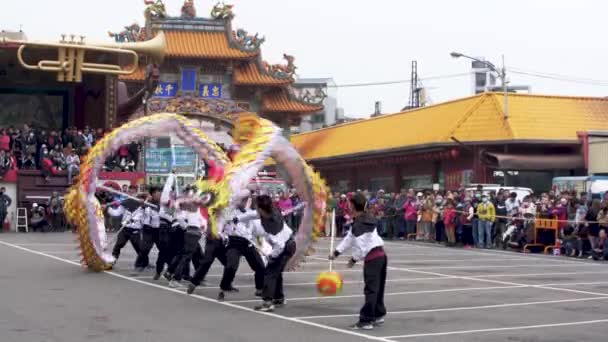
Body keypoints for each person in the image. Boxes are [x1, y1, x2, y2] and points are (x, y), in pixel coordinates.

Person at [329, 193, 387, 330]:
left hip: (373, 258)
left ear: (354, 206)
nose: (348, 205)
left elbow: (362, 248)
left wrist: (354, 259)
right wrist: (336, 252)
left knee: (371, 290)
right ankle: (378, 314)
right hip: (381, 256)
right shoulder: (364, 219)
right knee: (377, 289)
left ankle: (366, 320)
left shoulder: (360, 223)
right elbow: (349, 238)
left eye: (350, 203)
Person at [204, 197, 265, 300]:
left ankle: (260, 289)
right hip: (234, 242)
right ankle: (223, 288)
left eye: (246, 201)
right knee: (231, 266)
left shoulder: (249, 213)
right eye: (242, 200)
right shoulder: (229, 211)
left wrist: (265, 210)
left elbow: (254, 217)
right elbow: (222, 224)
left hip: (247, 242)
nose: (244, 202)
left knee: (260, 267)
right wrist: (220, 233)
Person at [252, 195, 295, 312]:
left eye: (256, 207)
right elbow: (252, 215)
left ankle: (267, 302)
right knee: (276, 272)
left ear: (261, 209)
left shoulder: (273, 224)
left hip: (285, 247)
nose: (255, 209)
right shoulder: (270, 212)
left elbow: (279, 246)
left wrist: (272, 255)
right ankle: (279, 298)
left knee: (270, 272)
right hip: (287, 244)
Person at [165, 186, 206, 288]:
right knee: (186, 257)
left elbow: (200, 219)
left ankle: (169, 272)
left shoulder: (195, 208)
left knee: (182, 254)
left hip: (193, 232)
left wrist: (202, 228)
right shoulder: (187, 205)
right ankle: (175, 279)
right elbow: (179, 217)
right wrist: (186, 227)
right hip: (191, 232)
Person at [111, 195, 146, 267]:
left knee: (139, 247)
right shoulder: (125, 204)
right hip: (125, 228)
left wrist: (132, 220)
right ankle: (112, 260)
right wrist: (107, 209)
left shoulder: (143, 208)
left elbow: (140, 217)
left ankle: (144, 262)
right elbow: (116, 213)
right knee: (118, 244)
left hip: (135, 230)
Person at [135, 186, 162, 272]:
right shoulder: (146, 203)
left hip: (159, 229)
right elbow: (140, 212)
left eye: (160, 193)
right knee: (145, 248)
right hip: (148, 228)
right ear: (153, 194)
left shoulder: (162, 203)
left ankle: (170, 267)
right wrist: (143, 204)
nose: (159, 194)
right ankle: (139, 264)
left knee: (163, 248)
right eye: (157, 193)